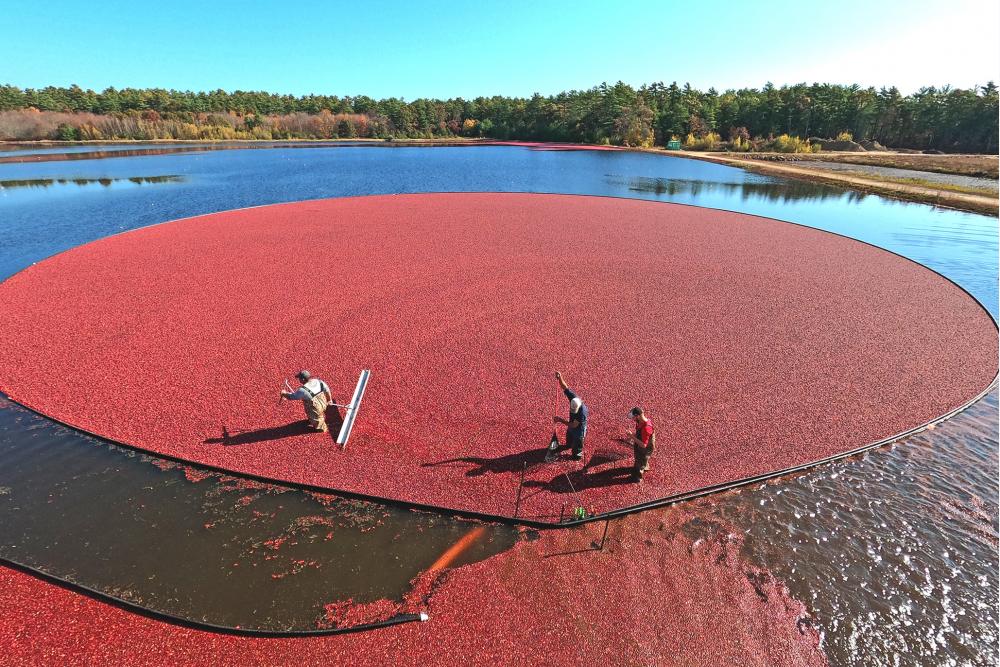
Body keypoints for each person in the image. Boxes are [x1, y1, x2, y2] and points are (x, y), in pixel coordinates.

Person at [552, 371, 588, 460]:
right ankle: (569, 445)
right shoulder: (574, 398)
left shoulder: (582, 413)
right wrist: (560, 377)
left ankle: (576, 455)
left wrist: (560, 420)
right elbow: (565, 387)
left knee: (577, 446)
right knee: (569, 440)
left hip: (579, 429)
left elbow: (574, 425)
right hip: (572, 425)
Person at [624, 406, 654, 482]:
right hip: (641, 443)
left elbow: (644, 445)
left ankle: (637, 477)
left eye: (633, 417)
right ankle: (645, 466)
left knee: (640, 461)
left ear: (637, 416)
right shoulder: (640, 422)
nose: (633, 419)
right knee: (643, 459)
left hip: (644, 448)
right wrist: (633, 436)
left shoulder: (646, 428)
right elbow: (639, 433)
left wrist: (631, 436)